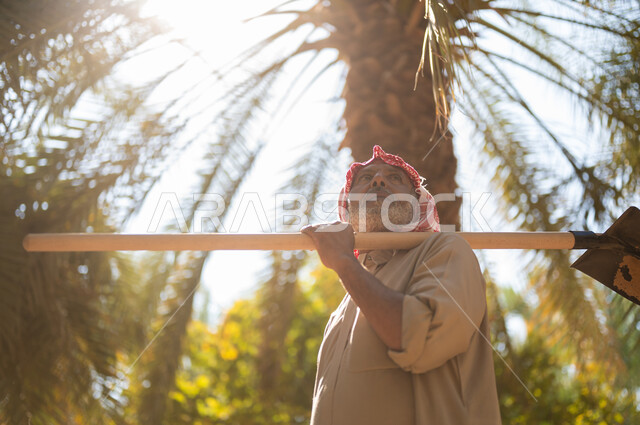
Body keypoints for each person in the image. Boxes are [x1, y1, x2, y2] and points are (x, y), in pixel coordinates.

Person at [301, 145, 502, 425]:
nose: (378, 181)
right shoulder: (341, 310)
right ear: (347, 206)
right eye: (365, 178)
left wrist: (345, 263)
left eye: (394, 178)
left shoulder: (446, 250)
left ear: (417, 203)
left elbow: (419, 340)